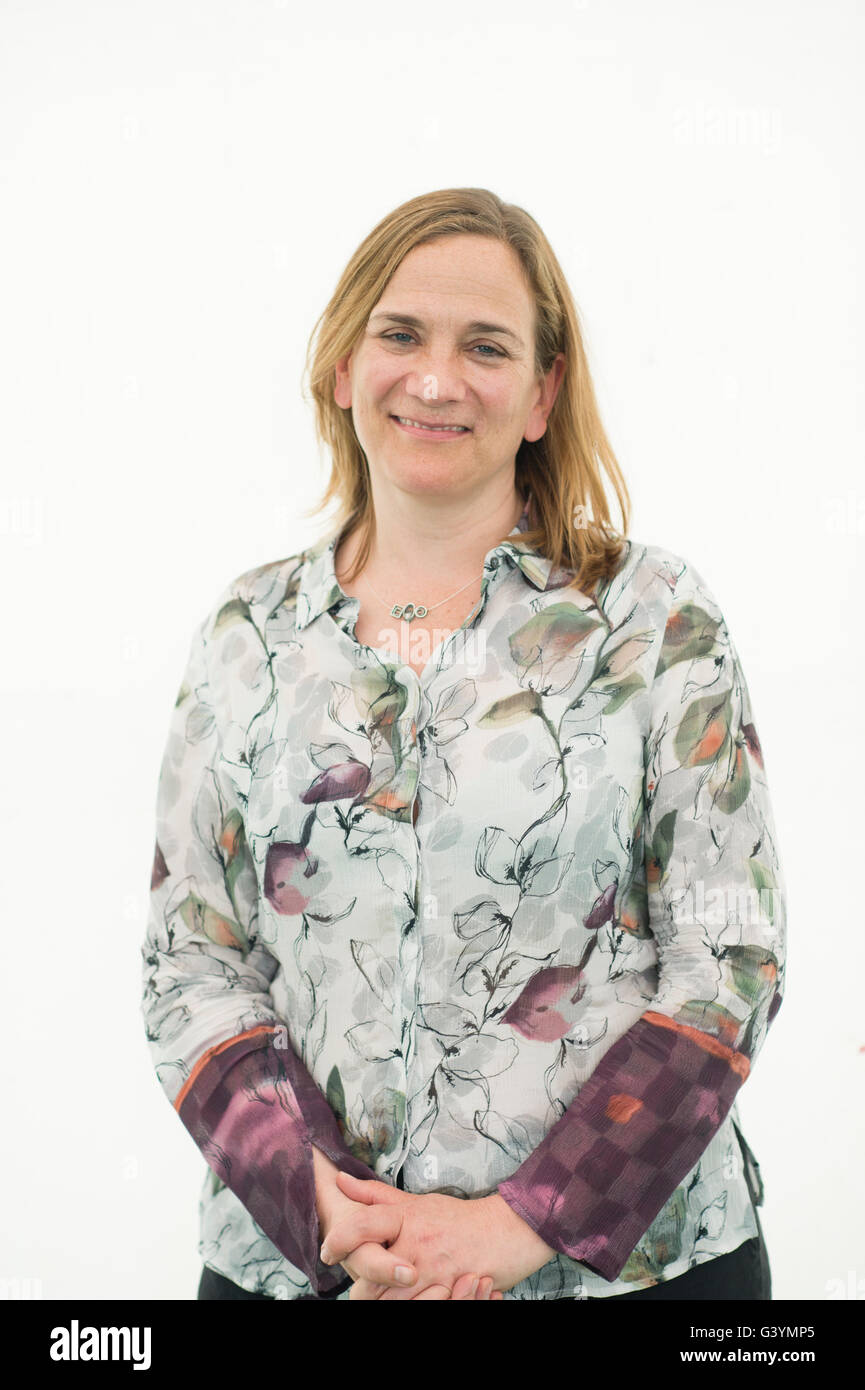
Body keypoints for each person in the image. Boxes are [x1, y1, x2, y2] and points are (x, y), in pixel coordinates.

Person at [141, 187, 786, 1302]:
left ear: (541, 395)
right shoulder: (246, 635)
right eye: (400, 335)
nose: (435, 379)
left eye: (484, 346)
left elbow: (728, 954)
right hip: (318, 1275)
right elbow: (190, 956)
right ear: (343, 368)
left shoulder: (654, 619)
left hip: (629, 1278)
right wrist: (324, 1205)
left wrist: (522, 1224)